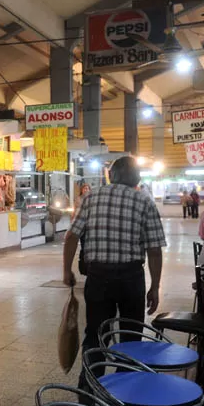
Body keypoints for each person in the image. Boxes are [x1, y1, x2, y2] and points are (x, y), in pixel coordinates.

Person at [62, 156, 166, 388]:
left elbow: (71, 237)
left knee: (96, 333)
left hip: (98, 277)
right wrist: (155, 286)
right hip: (131, 279)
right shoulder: (144, 202)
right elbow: (154, 249)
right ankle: (123, 389)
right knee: (130, 335)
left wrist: (66, 271)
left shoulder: (91, 198)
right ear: (137, 178)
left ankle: (89, 387)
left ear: (110, 176)